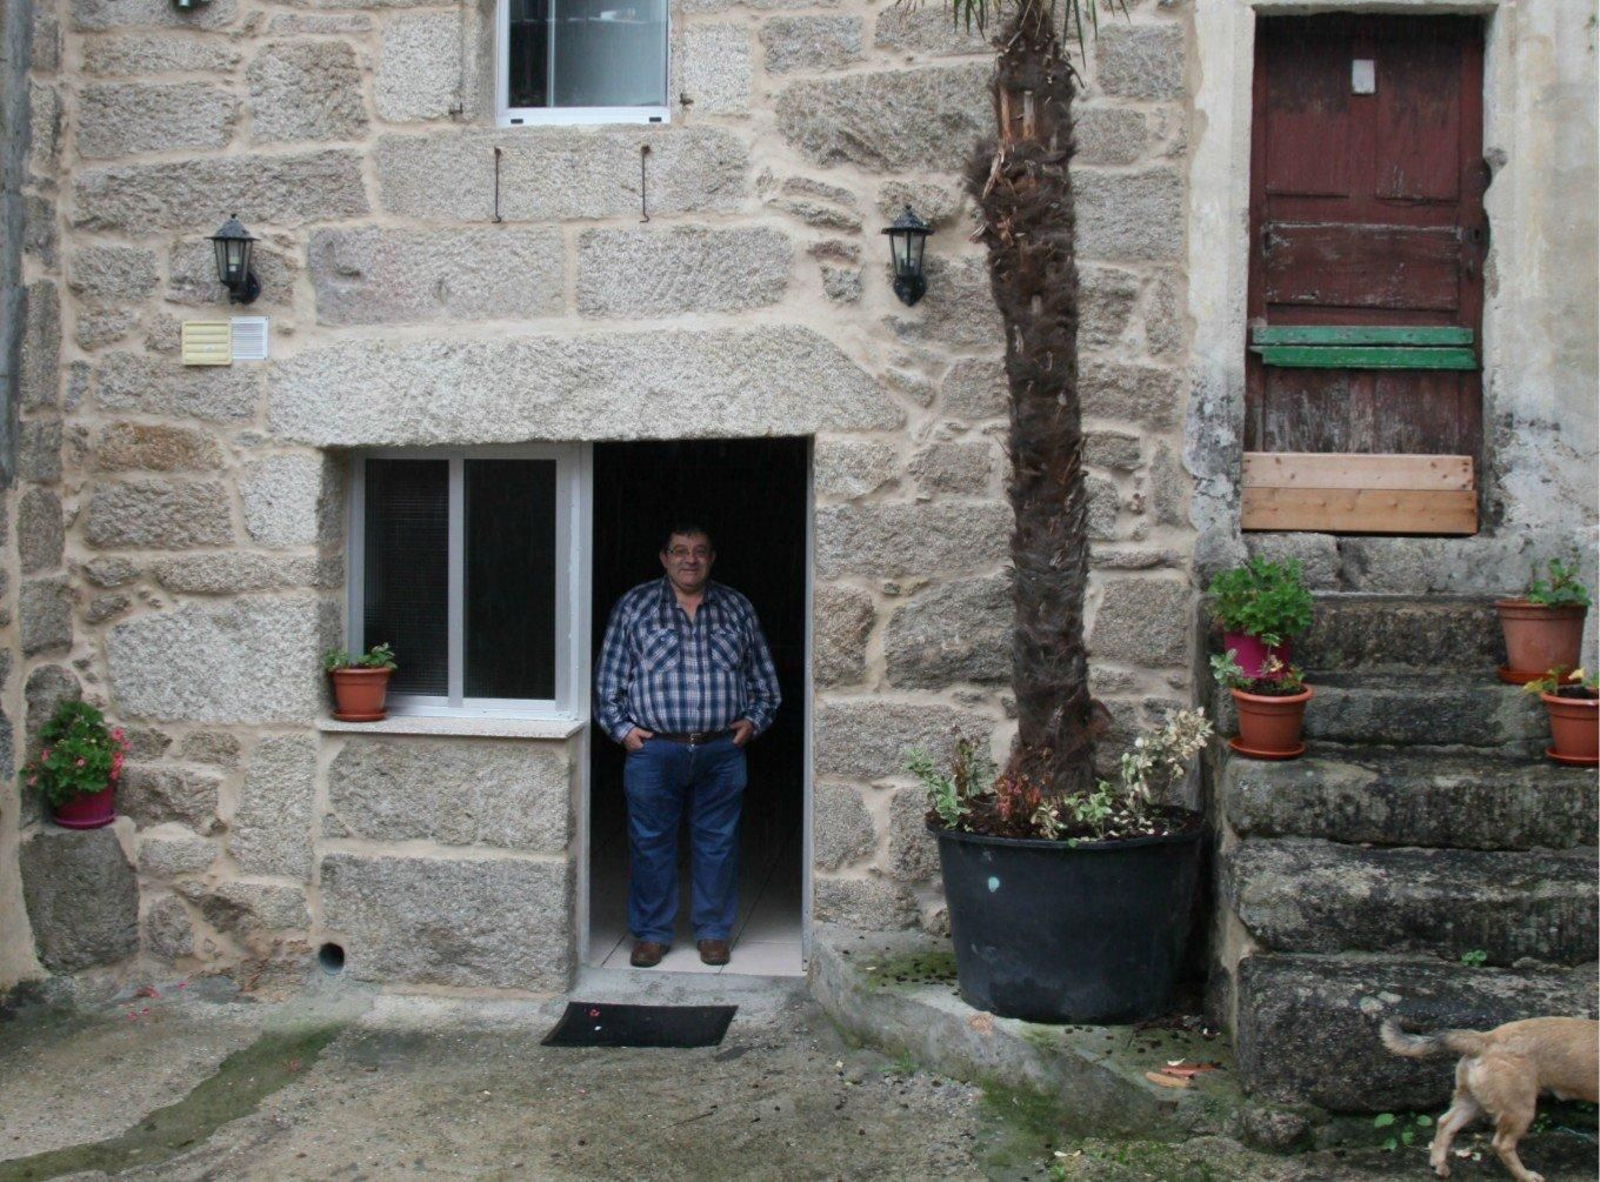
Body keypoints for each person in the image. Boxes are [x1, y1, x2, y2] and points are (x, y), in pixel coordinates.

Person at [595, 524, 781, 968]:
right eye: (679, 551)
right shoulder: (635, 606)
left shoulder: (737, 607)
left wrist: (754, 722)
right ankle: (651, 934)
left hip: (720, 751)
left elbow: (765, 682)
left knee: (718, 844)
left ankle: (713, 932)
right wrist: (622, 731)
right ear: (664, 558)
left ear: (712, 558)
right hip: (654, 751)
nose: (689, 559)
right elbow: (607, 681)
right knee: (650, 844)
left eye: (699, 551)